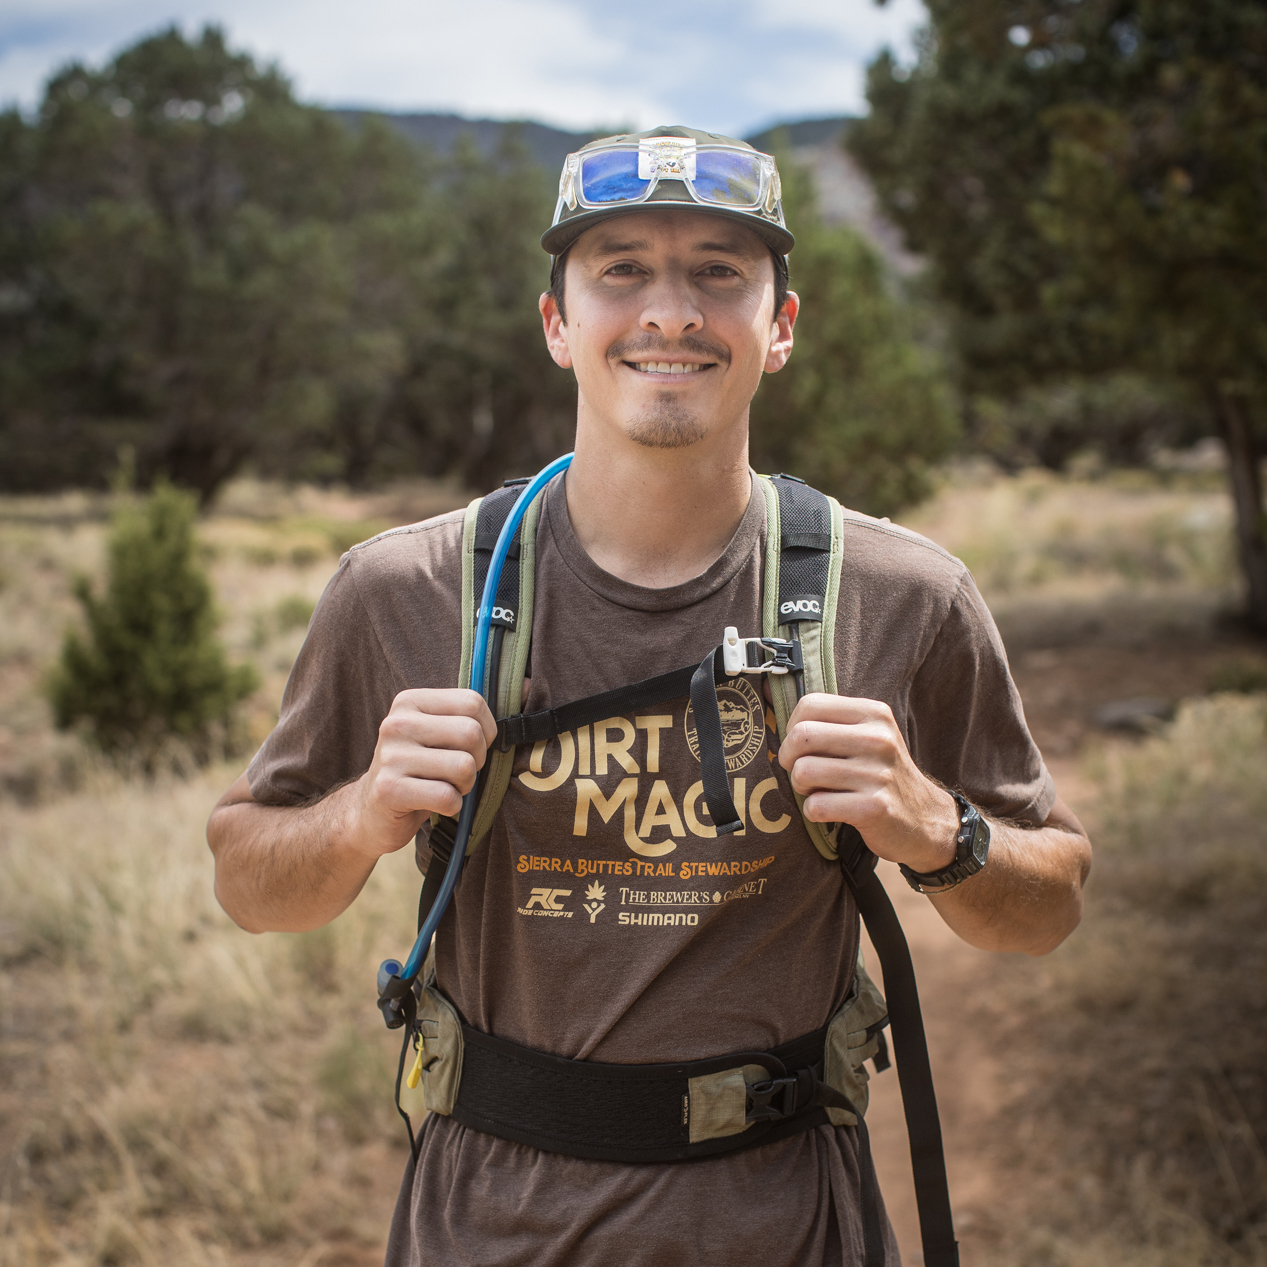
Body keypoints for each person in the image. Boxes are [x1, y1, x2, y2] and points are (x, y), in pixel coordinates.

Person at [207, 125, 1091, 1266]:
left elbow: (1051, 903)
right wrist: (361, 810)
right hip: (486, 1224)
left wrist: (936, 828)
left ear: (778, 327)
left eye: (718, 272)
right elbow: (246, 879)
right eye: (621, 268)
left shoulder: (903, 594)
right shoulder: (406, 589)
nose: (669, 310)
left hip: (787, 1224)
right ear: (557, 324)